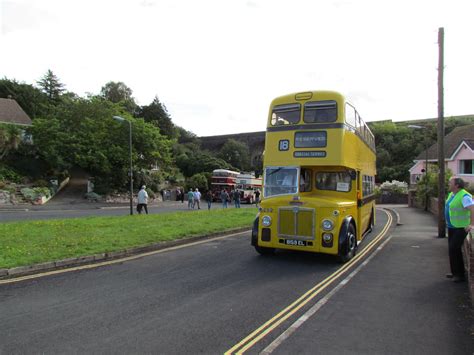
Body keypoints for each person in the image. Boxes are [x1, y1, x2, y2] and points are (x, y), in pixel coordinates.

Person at [445, 177, 474, 282]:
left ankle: (460, 275)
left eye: (450, 183)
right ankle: (455, 273)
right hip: (452, 226)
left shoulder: (464, 196)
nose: (448, 184)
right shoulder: (452, 194)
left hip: (461, 227)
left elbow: (472, 209)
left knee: (454, 248)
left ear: (456, 185)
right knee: (452, 250)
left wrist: (471, 224)